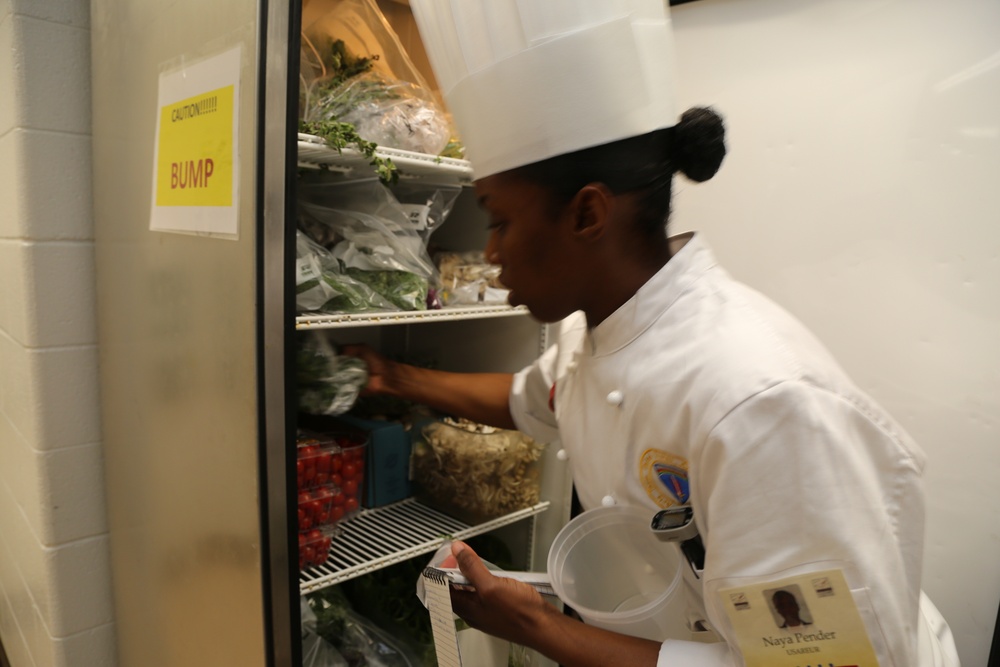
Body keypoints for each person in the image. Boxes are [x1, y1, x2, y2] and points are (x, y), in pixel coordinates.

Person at [343, 1, 961, 665]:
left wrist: (541, 628)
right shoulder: (606, 332)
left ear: (587, 213)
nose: (491, 253)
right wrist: (396, 376)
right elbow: (527, 398)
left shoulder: (757, 400)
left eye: (498, 220)